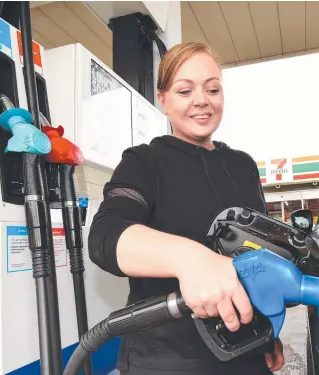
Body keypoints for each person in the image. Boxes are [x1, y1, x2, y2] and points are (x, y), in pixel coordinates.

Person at [88, 42, 284, 375]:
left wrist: (267, 334)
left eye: (212, 89)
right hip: (166, 360)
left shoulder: (243, 166)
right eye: (184, 90)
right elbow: (106, 235)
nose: (201, 101)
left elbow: (259, 255)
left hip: (246, 353)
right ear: (163, 100)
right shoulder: (143, 163)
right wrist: (191, 259)